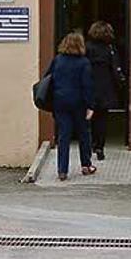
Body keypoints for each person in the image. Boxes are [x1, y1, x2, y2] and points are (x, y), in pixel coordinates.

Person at [49, 32, 97, 181]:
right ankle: (86, 165)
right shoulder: (84, 62)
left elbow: (49, 78)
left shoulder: (57, 60)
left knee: (64, 136)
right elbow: (87, 86)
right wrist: (90, 105)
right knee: (83, 134)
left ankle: (62, 170)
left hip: (60, 102)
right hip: (78, 103)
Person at [86, 21, 125, 161]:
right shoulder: (110, 48)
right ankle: (99, 147)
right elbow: (116, 68)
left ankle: (88, 145)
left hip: (89, 87)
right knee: (102, 119)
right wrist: (120, 84)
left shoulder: (87, 47)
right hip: (105, 88)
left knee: (88, 117)